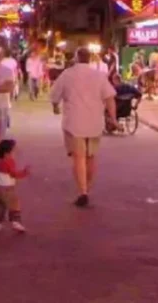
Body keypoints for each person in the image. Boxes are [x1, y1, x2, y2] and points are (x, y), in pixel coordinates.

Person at [50, 48, 117, 208]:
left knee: (78, 157)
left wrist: (55, 107)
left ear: (76, 57)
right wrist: (113, 119)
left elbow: (55, 95)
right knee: (90, 157)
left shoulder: (67, 74)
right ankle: (86, 187)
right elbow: (109, 98)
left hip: (74, 122)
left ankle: (83, 191)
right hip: (94, 122)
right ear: (90, 59)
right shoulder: (99, 76)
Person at [0, 139, 29, 233]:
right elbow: (13, 174)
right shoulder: (9, 161)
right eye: (13, 150)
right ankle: (15, 222)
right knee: (14, 204)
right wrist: (24, 173)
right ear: (8, 152)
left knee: (0, 206)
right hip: (7, 189)